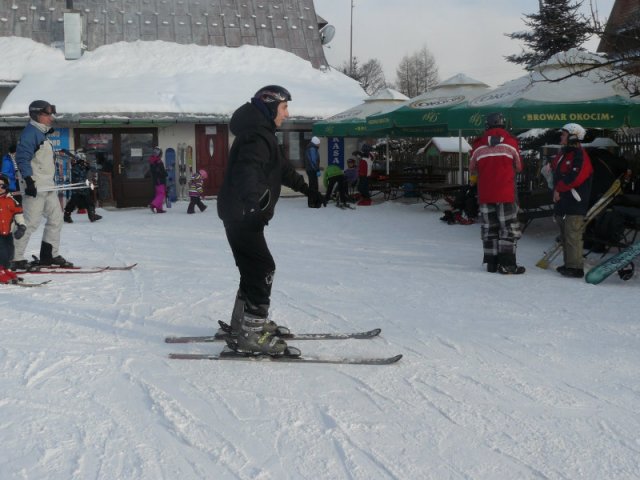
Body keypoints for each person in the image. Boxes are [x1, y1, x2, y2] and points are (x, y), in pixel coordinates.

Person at [217, 85, 325, 356]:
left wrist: (308, 189)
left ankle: (243, 324)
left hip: (240, 214)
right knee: (263, 268)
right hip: (244, 215)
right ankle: (251, 334)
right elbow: (248, 169)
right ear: (270, 107)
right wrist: (252, 203)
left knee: (251, 270)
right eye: (284, 107)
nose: (287, 114)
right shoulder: (256, 136)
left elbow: (282, 170)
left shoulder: (261, 134)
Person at [11, 100, 73, 270]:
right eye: (47, 114)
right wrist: (29, 181)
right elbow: (22, 158)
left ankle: (49, 255)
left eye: (51, 114)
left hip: (48, 185)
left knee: (56, 219)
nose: (51, 118)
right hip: (35, 186)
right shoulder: (30, 134)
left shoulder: (42, 133)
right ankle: (14, 258)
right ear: (36, 115)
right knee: (29, 222)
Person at [469, 112, 524, 274]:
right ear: (503, 124)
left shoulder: (478, 145)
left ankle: (491, 264)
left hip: (485, 194)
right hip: (506, 193)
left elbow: (472, 168)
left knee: (489, 227)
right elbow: (519, 166)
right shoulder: (511, 142)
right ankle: (507, 265)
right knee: (508, 228)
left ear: (487, 125)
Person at [549, 123, 593, 278]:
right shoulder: (565, 153)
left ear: (573, 136)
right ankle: (568, 264)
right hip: (563, 202)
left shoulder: (580, 155)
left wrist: (558, 189)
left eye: (564, 134)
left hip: (575, 202)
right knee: (565, 235)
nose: (561, 137)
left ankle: (575, 267)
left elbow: (575, 177)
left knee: (572, 235)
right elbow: (556, 169)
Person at [0, 174, 27, 283]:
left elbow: (18, 214)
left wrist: (21, 226)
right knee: (1, 252)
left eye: (2, 186)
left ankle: (6, 269)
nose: (0, 188)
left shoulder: (11, 200)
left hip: (8, 233)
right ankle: (0, 271)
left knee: (10, 252)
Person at [63, 150, 102, 223]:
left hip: (83, 188)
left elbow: (94, 170)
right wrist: (82, 166)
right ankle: (66, 216)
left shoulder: (84, 167)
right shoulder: (75, 168)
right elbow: (79, 178)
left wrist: (88, 167)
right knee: (72, 203)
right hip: (77, 189)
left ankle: (92, 216)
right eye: (83, 159)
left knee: (89, 202)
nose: (85, 161)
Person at [148, 147, 167, 213]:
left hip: (156, 179)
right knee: (162, 193)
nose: (161, 155)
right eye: (161, 153)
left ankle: (159, 209)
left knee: (158, 194)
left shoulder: (153, 160)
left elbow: (156, 170)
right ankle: (153, 204)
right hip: (159, 180)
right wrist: (165, 173)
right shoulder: (157, 161)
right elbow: (159, 171)